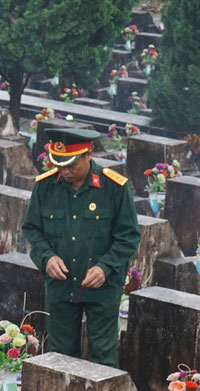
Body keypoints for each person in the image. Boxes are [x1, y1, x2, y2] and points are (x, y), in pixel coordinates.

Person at [21, 128, 140, 367]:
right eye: (59, 165)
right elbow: (32, 229)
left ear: (88, 154)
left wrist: (105, 267)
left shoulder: (114, 187)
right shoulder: (46, 186)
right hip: (61, 285)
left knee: (103, 358)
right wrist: (47, 257)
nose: (64, 171)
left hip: (102, 287)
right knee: (60, 358)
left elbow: (128, 236)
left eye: (70, 165)